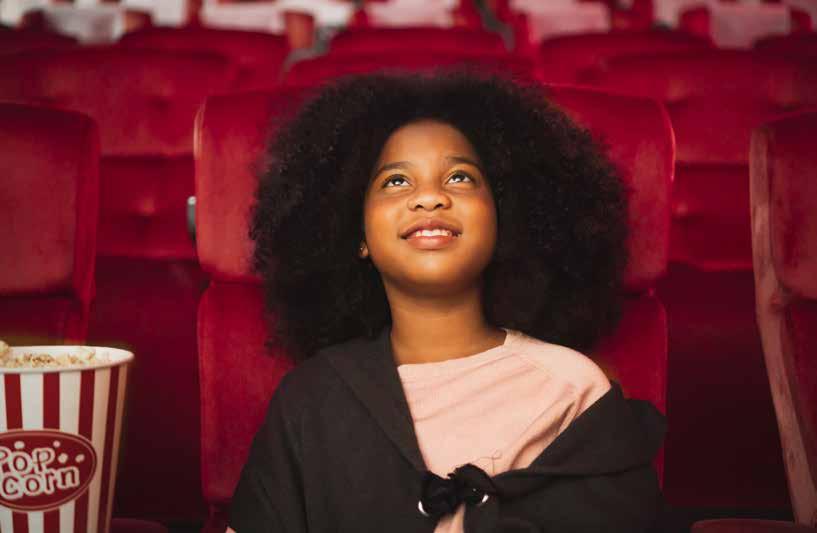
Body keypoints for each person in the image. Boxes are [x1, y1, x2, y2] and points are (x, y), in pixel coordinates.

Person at [228, 70, 666, 532]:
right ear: (357, 235)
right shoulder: (309, 399)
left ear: (503, 219)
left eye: (460, 177)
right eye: (396, 181)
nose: (430, 197)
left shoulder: (572, 390)